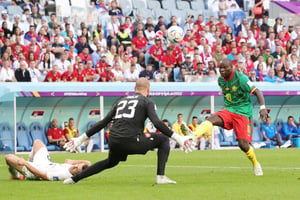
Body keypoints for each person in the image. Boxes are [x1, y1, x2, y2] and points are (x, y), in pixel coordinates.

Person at [63, 78, 193, 184]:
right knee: (163, 140)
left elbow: (103, 122)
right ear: (148, 90)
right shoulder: (147, 102)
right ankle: (161, 177)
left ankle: (74, 179)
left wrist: (79, 139)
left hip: (114, 141)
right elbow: (157, 123)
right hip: (132, 140)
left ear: (134, 89)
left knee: (111, 162)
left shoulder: (120, 101)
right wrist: (179, 138)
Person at [193, 58, 268, 176]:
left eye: (225, 68)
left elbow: (257, 91)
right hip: (229, 110)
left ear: (231, 67)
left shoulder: (241, 79)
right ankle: (193, 136)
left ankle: (255, 163)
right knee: (211, 119)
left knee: (243, 145)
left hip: (243, 114)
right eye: (220, 68)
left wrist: (262, 107)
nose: (222, 70)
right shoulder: (220, 80)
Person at [5, 139, 91, 181]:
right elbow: (70, 161)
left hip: (36, 170)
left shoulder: (64, 175)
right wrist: (77, 163)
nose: (76, 166)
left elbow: (42, 175)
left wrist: (26, 164)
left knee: (8, 158)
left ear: (78, 175)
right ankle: (30, 161)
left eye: (77, 168)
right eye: (78, 165)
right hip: (45, 162)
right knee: (37, 142)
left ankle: (16, 176)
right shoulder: (74, 167)